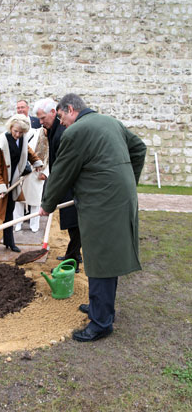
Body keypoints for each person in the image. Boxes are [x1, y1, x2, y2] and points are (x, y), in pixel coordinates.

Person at [39, 93, 147, 342]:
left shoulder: (76, 132)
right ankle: (101, 308)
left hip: (103, 204)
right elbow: (139, 149)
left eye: (62, 116)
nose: (62, 122)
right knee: (104, 257)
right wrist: (128, 183)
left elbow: (62, 172)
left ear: (69, 109)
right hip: (117, 200)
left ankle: (101, 323)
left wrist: (47, 204)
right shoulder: (111, 122)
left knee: (100, 259)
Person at [0, 114, 43, 259]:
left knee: (9, 214)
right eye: (15, 131)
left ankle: (9, 242)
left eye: (21, 132)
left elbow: (27, 151)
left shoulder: (21, 140)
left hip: (11, 183)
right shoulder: (0, 143)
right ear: (11, 127)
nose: (17, 135)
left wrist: (36, 162)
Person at [33, 97, 82, 272]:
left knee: (74, 223)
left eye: (42, 118)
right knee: (71, 222)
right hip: (65, 182)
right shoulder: (54, 129)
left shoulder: (62, 132)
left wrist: (50, 197)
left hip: (70, 184)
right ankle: (74, 254)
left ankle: (73, 258)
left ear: (53, 113)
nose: (40, 122)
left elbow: (64, 165)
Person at [13, 125, 49, 232]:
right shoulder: (33, 133)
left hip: (39, 173)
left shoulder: (54, 138)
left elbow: (53, 159)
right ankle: (17, 223)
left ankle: (34, 225)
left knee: (36, 200)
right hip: (25, 170)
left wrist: (46, 174)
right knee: (19, 198)